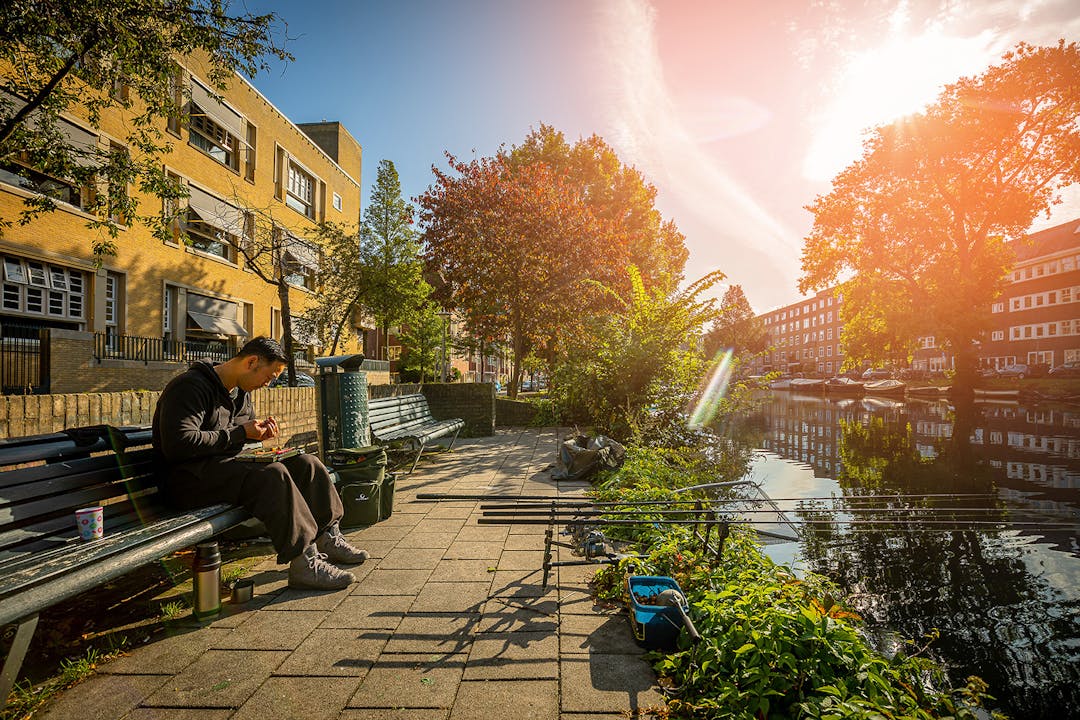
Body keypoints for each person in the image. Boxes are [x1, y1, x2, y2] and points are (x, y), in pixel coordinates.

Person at [152, 336, 368, 591]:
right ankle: (305, 564)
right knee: (272, 475)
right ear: (252, 362)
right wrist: (241, 433)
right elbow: (179, 443)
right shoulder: (190, 386)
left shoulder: (241, 394)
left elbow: (238, 436)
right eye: (268, 377)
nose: (268, 384)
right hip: (185, 481)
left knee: (306, 463)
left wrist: (259, 433)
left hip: (221, 472)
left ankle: (329, 536)